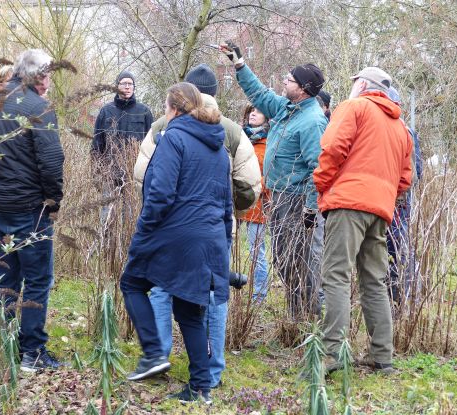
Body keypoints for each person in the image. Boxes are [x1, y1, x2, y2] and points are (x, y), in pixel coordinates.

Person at [134, 63, 261, 389]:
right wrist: (230, 207)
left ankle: (158, 358)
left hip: (169, 229)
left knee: (161, 288)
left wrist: (158, 214)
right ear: (216, 93)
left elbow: (142, 175)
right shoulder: (231, 130)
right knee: (215, 296)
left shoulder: (164, 126)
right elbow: (249, 183)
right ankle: (213, 370)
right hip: (216, 229)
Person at [121, 82, 232, 404]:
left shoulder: (174, 138)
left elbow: (160, 193)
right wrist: (222, 247)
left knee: (132, 282)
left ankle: (154, 353)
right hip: (209, 238)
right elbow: (226, 205)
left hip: (175, 234)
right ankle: (201, 388)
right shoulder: (219, 148)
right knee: (189, 310)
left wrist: (144, 231)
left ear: (172, 109)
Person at [313, 67, 413, 374]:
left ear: (363, 85)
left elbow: (331, 149)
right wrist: (383, 196)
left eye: (355, 81)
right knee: (374, 281)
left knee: (336, 276)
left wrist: (322, 184)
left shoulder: (353, 107)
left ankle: (333, 355)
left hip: (348, 203)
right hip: (380, 210)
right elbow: (406, 179)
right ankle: (382, 356)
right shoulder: (400, 127)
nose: (352, 85)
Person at [220, 41, 327, 320]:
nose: (284, 81)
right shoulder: (286, 109)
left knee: (300, 261)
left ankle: (307, 319)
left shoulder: (312, 121)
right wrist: (239, 64)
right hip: (278, 198)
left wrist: (311, 208)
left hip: (297, 202)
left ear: (302, 88)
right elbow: (258, 92)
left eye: (289, 79)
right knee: (283, 259)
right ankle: (296, 316)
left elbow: (320, 168)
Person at [0, 49, 66, 372]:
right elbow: (52, 162)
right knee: (38, 279)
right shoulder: (39, 108)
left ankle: (7, 345)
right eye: (49, 75)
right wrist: (53, 202)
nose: (50, 81)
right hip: (29, 210)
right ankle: (33, 353)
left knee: (7, 278)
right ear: (39, 76)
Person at [92, 70, 153, 223]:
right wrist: (96, 172)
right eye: (124, 83)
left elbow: (151, 145)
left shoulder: (144, 112)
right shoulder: (106, 111)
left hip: (134, 172)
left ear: (134, 87)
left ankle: (127, 245)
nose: (127, 87)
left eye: (130, 84)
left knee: (130, 215)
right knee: (106, 216)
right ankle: (105, 244)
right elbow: (97, 143)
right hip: (109, 171)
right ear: (117, 86)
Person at [386, 86, 423, 305]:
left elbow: (414, 174)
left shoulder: (405, 132)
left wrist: (396, 193)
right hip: (386, 200)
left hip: (397, 203)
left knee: (397, 248)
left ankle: (402, 297)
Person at [240, 104, 270, 301]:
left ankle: (259, 295)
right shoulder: (240, 139)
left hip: (256, 205)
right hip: (234, 203)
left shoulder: (269, 144)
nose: (253, 113)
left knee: (256, 251)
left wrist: (255, 190)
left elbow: (270, 177)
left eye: (258, 111)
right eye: (251, 110)